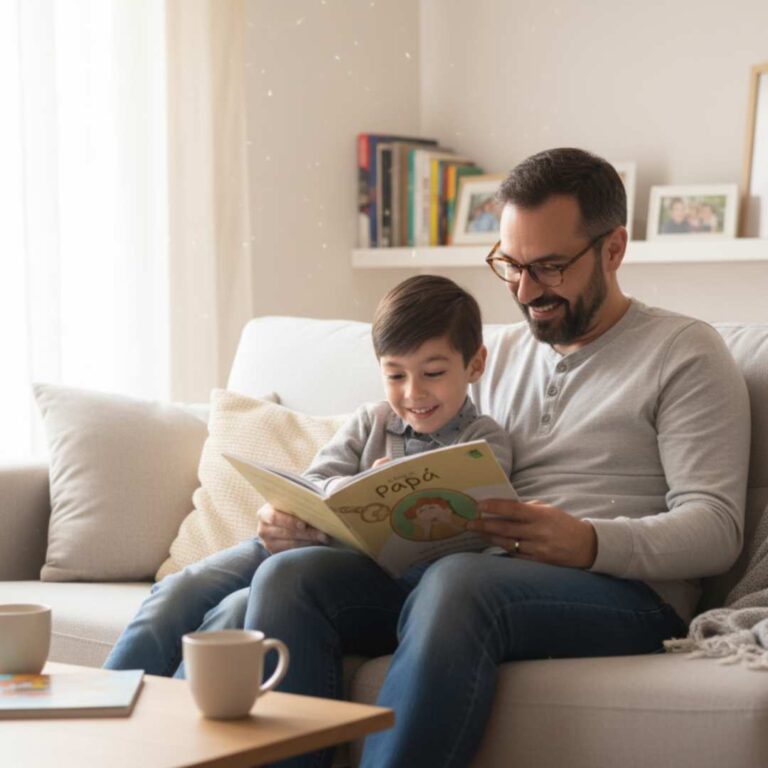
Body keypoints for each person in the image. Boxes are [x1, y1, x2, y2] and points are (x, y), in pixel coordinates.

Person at [242, 147, 750, 768]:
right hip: (474, 572)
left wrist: (589, 542)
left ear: (613, 250)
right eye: (510, 265)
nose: (526, 290)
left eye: (550, 266)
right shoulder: (494, 353)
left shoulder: (685, 353)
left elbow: (717, 528)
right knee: (291, 578)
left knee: (461, 583)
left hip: (625, 595)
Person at [104, 275, 511, 678]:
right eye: (395, 375)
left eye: (433, 373)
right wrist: (350, 489)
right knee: (181, 588)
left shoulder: (483, 440)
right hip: (305, 542)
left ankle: (178, 726)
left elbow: (475, 525)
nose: (413, 393)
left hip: (362, 574)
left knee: (233, 611)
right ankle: (104, 705)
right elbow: (315, 482)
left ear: (474, 364)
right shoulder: (371, 421)